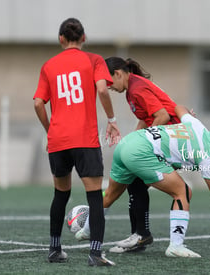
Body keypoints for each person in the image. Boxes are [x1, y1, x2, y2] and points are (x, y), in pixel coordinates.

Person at [94, 105, 210, 257]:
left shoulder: (197, 124)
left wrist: (189, 113)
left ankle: (88, 228)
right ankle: (176, 245)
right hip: (142, 152)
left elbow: (179, 108)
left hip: (128, 141)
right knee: (183, 192)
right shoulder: (207, 156)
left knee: (114, 193)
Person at [33, 18, 120, 266]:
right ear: (84, 38)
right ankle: (95, 253)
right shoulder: (94, 60)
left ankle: (54, 248)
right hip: (85, 138)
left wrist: (51, 130)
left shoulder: (48, 65)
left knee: (60, 194)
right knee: (94, 195)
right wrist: (112, 119)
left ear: (61, 39)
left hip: (58, 140)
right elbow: (103, 90)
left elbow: (38, 103)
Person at [76, 57, 183, 253]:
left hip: (174, 140)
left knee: (138, 182)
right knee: (134, 181)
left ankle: (142, 235)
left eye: (109, 83)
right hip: (170, 138)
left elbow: (162, 116)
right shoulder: (132, 88)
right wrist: (132, 141)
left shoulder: (136, 89)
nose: (109, 88)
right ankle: (140, 235)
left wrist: (143, 143)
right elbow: (146, 119)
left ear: (118, 73)